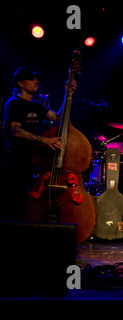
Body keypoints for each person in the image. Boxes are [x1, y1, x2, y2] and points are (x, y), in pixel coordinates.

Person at [1, 66, 76, 220]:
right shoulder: (14, 103)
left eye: (36, 78)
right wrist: (45, 140)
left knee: (30, 199)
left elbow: (57, 118)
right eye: (31, 79)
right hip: (15, 158)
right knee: (16, 199)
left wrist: (68, 95)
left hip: (31, 159)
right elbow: (16, 131)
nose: (36, 81)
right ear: (21, 83)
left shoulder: (36, 105)